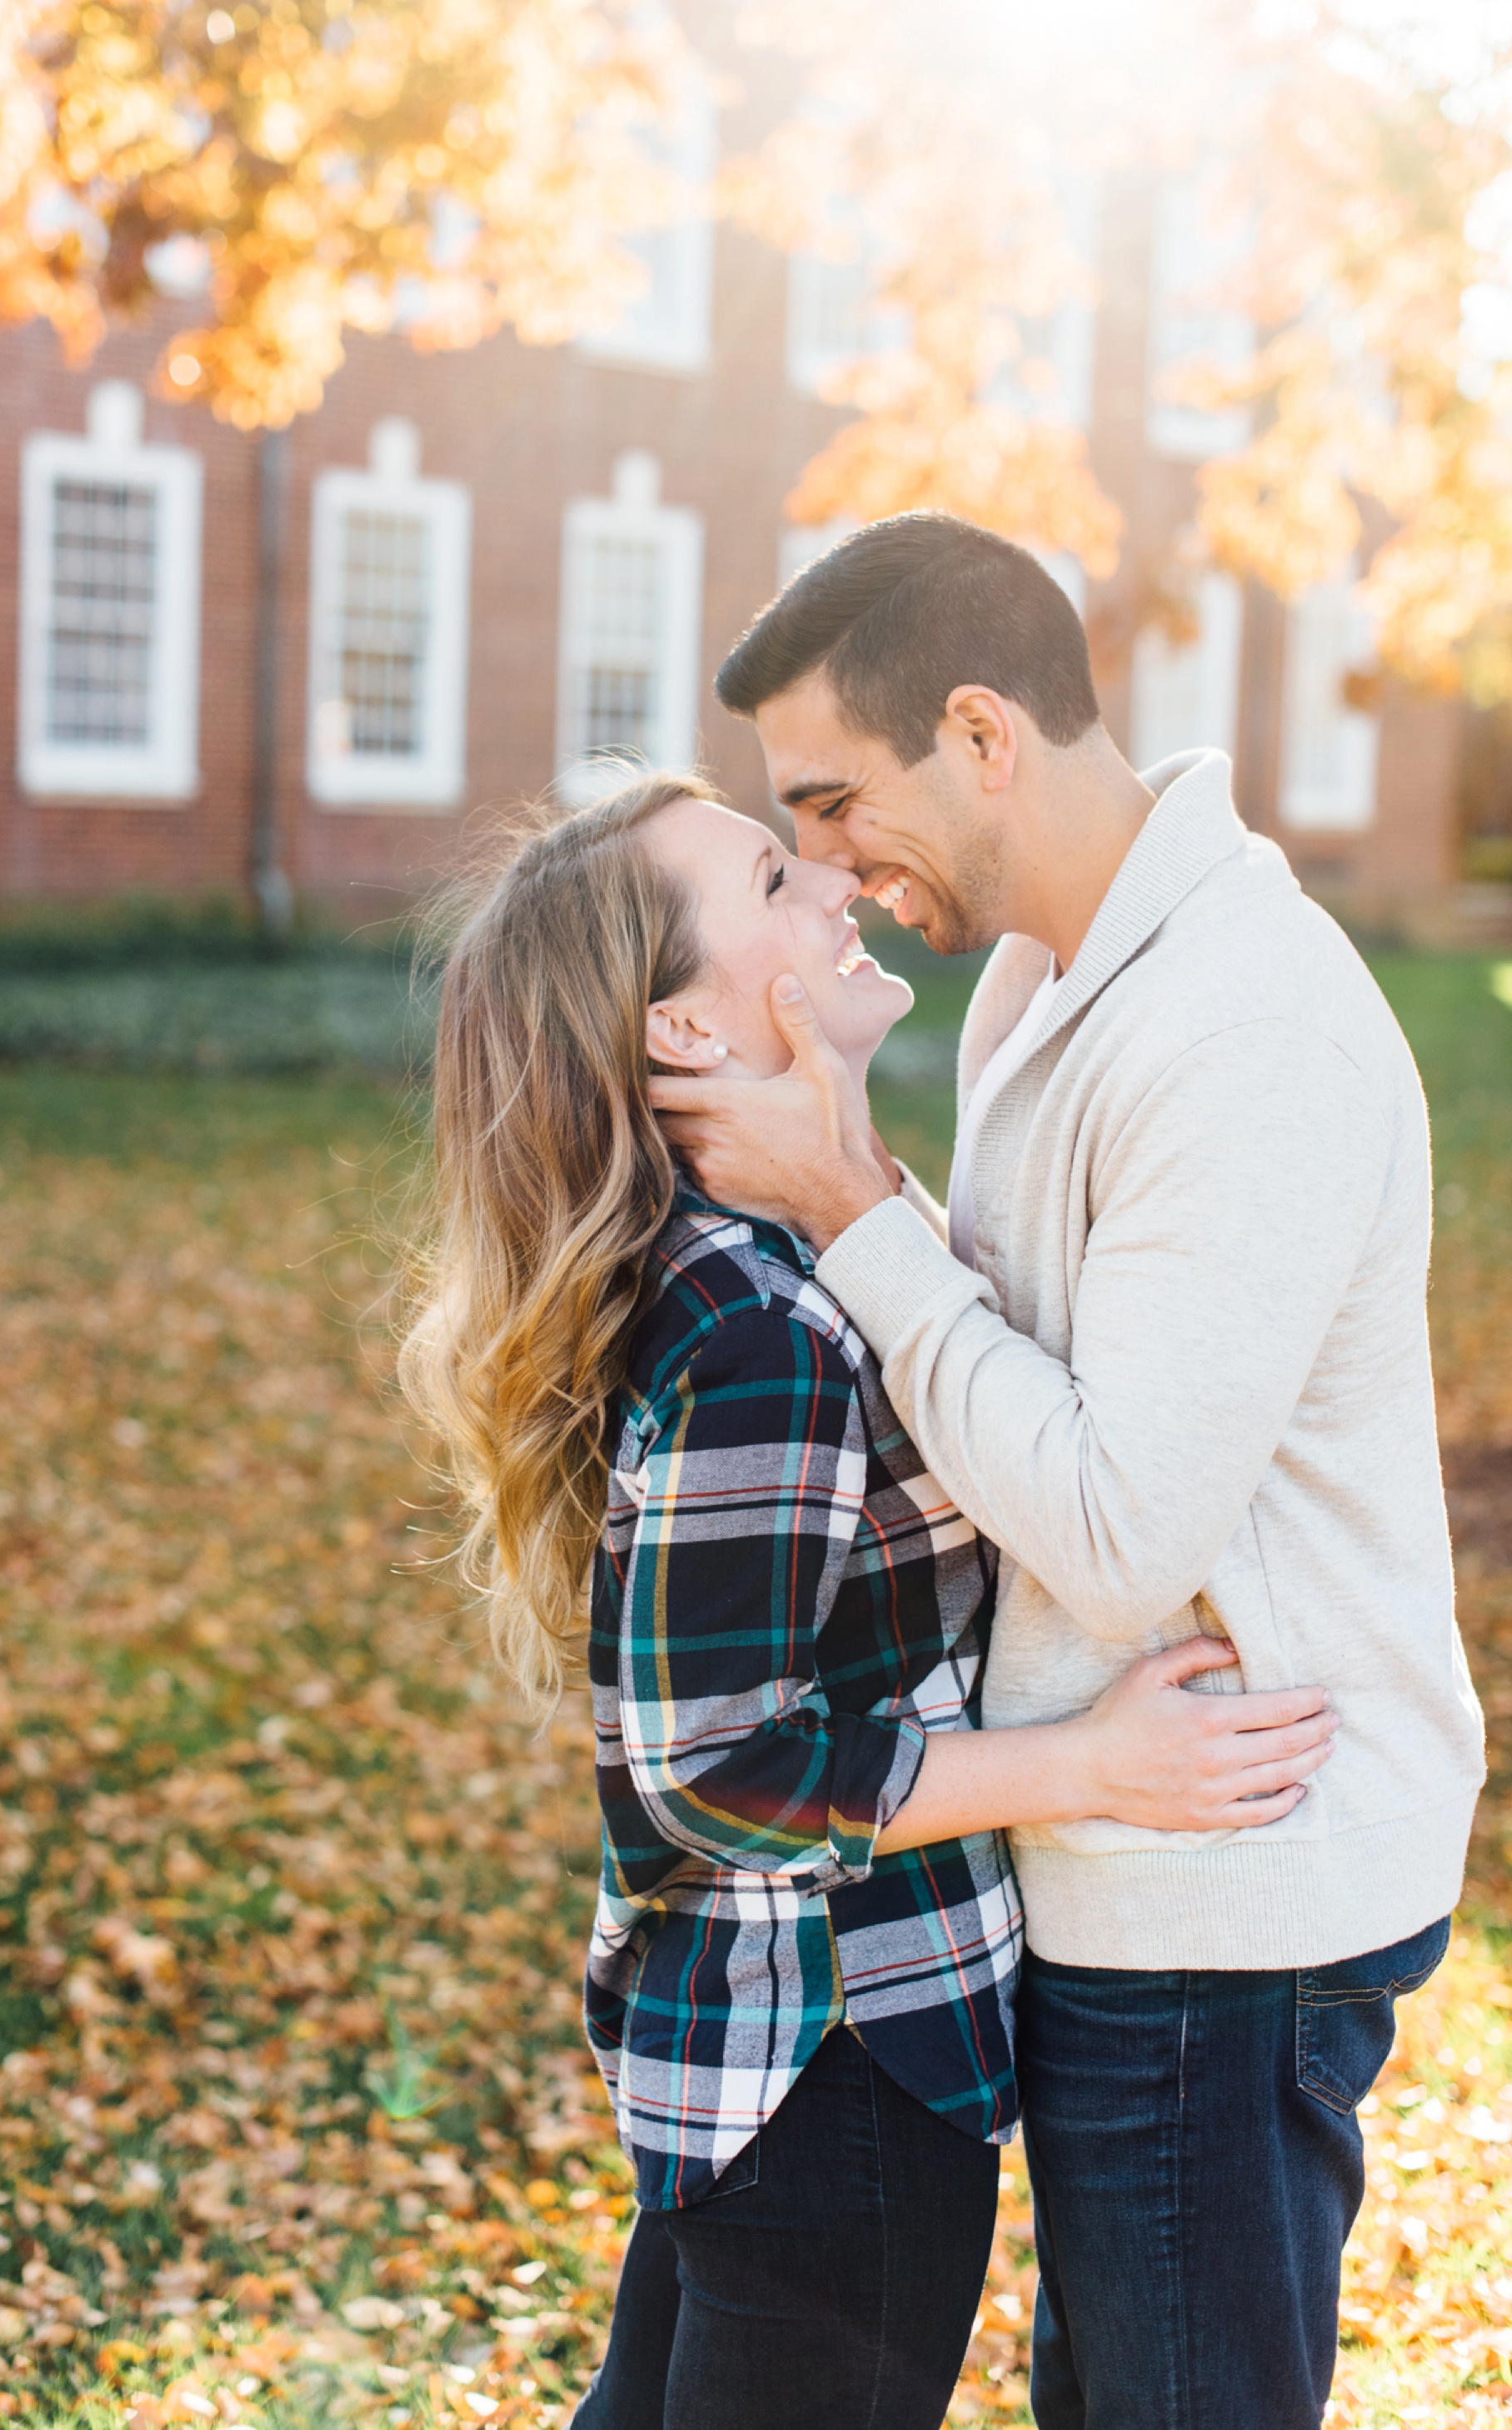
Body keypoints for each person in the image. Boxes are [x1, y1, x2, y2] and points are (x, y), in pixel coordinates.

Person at [650, 515, 1488, 2430]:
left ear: (979, 730)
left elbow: (1118, 1528)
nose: (835, 867)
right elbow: (1035, 1359)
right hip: (1133, 1860)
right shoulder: (1055, 973)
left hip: (1227, 1884)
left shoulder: (1238, 1017)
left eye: (837, 803)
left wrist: (852, 1206)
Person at [401, 771, 1340, 2430]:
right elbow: (706, 1766)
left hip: (763, 2052)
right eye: (774, 876)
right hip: (837, 2060)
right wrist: (1090, 1766)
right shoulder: (757, 1325)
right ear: (685, 1030)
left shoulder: (782, 1253)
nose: (832, 880)